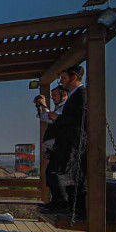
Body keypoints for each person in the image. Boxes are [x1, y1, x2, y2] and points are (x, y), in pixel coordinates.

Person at [40, 66, 88, 217]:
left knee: (61, 172)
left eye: (63, 78)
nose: (61, 81)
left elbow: (79, 119)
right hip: (66, 141)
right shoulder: (75, 95)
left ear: (74, 78)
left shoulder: (81, 94)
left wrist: (58, 118)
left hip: (72, 141)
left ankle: (65, 204)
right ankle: (60, 203)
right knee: (55, 171)